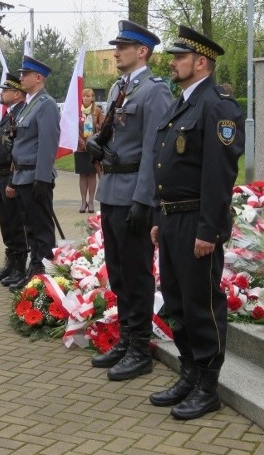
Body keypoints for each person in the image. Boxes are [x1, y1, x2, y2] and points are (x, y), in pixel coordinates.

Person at [148, 25, 244, 420]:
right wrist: (158, 215)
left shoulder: (217, 105)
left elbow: (218, 175)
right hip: (172, 220)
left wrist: (209, 229)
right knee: (176, 300)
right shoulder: (183, 102)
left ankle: (208, 385)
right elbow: (164, 165)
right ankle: (189, 371)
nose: (172, 63)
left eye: (179, 57)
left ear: (200, 62)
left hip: (195, 223)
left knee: (201, 304)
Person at [86, 20, 174, 381]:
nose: (116, 52)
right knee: (119, 272)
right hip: (112, 191)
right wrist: (98, 145)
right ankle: (126, 337)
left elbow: (157, 149)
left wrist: (145, 199)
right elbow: (116, 137)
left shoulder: (155, 92)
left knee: (137, 274)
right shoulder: (119, 88)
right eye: (116, 46)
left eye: (123, 47)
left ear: (142, 52)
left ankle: (140, 347)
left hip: (134, 195)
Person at [6, 56, 60, 291]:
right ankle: (34, 268)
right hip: (22, 176)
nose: (21, 78)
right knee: (30, 227)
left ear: (38, 78)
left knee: (41, 229)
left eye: (25, 74)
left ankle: (43, 273)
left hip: (35, 177)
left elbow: (48, 144)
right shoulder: (30, 104)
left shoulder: (46, 104)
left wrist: (42, 177)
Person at [0, 73, 28, 285]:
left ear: (17, 94)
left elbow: (18, 149)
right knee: (6, 222)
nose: (1, 94)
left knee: (15, 221)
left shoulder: (21, 114)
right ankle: (11, 263)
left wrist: (13, 180)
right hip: (1, 175)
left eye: (5, 90)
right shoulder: (10, 113)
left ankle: (20, 267)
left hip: (12, 175)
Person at [75, 87, 104, 213]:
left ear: (93, 98)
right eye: (84, 96)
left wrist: (98, 127)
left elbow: (103, 128)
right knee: (82, 174)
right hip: (80, 147)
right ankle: (83, 201)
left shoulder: (97, 111)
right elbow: (71, 127)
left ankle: (91, 201)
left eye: (88, 96)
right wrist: (79, 140)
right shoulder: (77, 111)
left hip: (93, 147)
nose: (86, 98)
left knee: (92, 174)